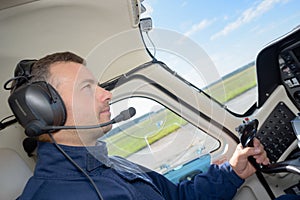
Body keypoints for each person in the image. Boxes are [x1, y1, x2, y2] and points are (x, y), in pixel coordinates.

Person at [13, 51, 271, 200]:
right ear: (46, 111)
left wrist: (232, 172)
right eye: (87, 87)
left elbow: (176, 197)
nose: (107, 94)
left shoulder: (111, 164)